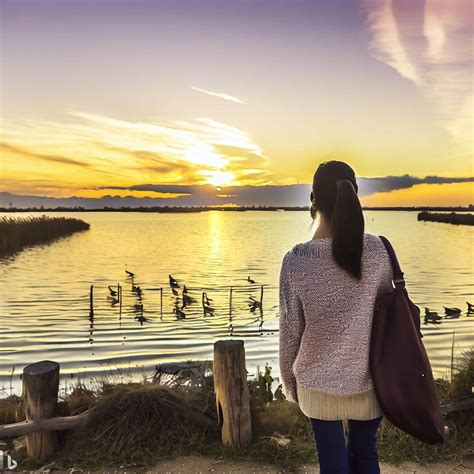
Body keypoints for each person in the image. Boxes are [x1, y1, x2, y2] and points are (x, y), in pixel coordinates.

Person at [278, 161, 393, 473]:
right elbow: (387, 318)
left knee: (333, 463)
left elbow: (291, 334)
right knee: (365, 454)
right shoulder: (378, 252)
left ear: (313, 199)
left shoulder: (296, 261)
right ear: (355, 196)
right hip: (370, 380)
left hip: (317, 384)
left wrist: (292, 386)